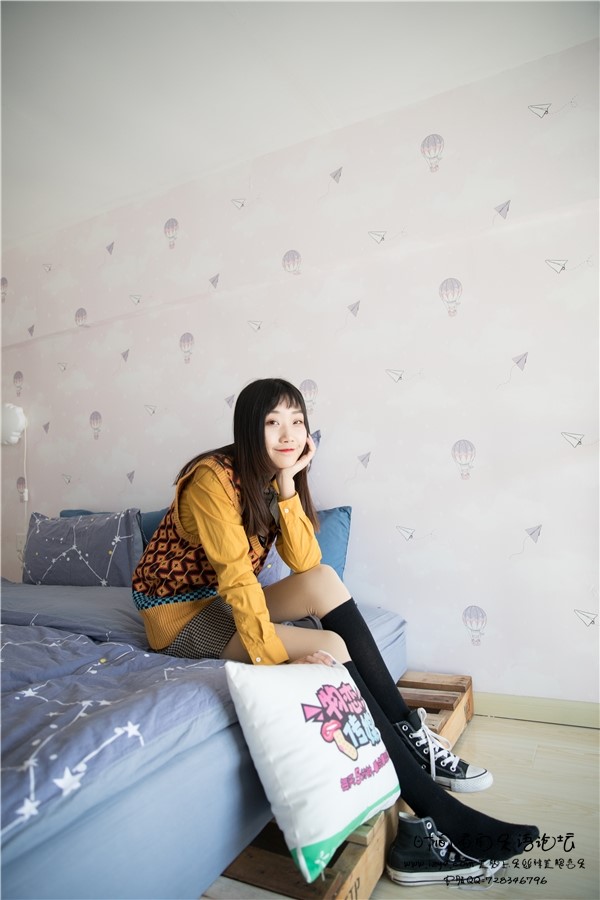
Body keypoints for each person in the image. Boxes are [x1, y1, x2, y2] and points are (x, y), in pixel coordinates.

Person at [132, 377, 539, 884]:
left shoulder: (270, 474)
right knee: (328, 643)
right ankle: (438, 814)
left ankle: (409, 734)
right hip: (180, 617)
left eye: (297, 421)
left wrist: (288, 484)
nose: (288, 434)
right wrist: (278, 661)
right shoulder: (210, 481)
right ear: (248, 428)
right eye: (273, 422)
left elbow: (306, 562)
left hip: (217, 602)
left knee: (323, 579)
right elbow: (237, 580)